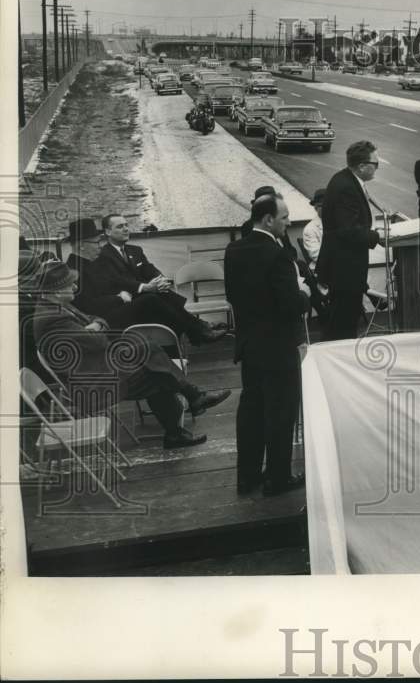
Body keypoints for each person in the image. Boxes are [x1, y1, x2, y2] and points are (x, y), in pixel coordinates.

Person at [32, 261, 229, 449]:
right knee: (156, 374)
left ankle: (188, 409)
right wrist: (97, 327)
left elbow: (96, 320)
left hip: (97, 366)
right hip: (91, 383)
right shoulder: (53, 318)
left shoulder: (56, 307)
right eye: (69, 284)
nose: (75, 287)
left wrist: (96, 325)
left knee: (144, 346)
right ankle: (186, 413)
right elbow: (100, 340)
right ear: (56, 291)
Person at [225, 194, 311, 496]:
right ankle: (277, 479)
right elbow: (291, 305)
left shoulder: (233, 249)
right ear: (268, 219)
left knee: (251, 411)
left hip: (250, 345)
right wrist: (303, 293)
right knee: (280, 412)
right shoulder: (279, 256)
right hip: (278, 347)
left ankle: (247, 477)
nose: (289, 222)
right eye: (285, 217)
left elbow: (233, 297)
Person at [93, 213, 227, 343]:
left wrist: (161, 280)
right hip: (127, 303)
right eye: (120, 226)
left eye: (126, 225)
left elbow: (150, 269)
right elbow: (117, 280)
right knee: (155, 296)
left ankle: (198, 329)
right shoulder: (103, 255)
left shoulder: (135, 250)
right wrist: (145, 287)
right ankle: (198, 329)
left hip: (144, 297)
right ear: (108, 232)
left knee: (163, 291)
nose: (126, 229)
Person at [316, 140, 383, 341]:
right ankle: (336, 364)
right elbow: (349, 231)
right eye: (375, 164)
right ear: (362, 166)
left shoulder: (345, 180)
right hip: (344, 268)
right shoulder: (346, 186)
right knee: (342, 324)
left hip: (344, 267)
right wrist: (378, 237)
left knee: (342, 321)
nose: (376, 168)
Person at [301, 188, 325, 272]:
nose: (325, 208)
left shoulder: (338, 223)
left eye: (328, 204)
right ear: (315, 207)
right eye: (321, 205)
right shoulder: (310, 229)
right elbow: (317, 255)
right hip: (321, 269)